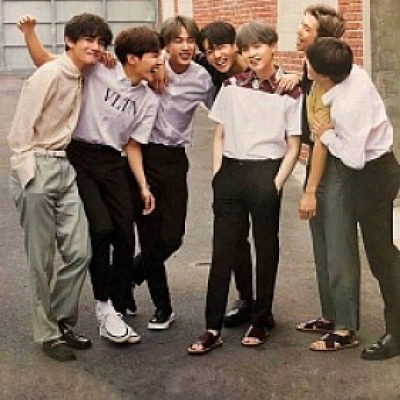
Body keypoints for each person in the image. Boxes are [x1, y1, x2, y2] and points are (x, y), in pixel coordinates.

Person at [18, 16, 163, 344]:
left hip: (113, 162)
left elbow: (133, 145)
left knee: (125, 235)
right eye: (155, 55)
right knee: (100, 229)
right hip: (80, 156)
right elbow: (46, 61)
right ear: (132, 58)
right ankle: (103, 305)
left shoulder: (149, 99)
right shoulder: (100, 69)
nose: (160, 61)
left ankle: (115, 304)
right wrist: (30, 33)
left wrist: (143, 186)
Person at [188, 21, 301, 355]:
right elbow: (220, 133)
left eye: (258, 46)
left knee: (266, 249)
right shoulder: (231, 85)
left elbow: (293, 145)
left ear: (273, 47)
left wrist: (276, 184)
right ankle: (212, 328)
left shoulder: (290, 90)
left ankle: (262, 318)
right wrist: (218, 174)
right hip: (231, 173)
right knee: (222, 251)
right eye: (247, 48)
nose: (252, 53)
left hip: (266, 173)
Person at [8, 13, 113, 362]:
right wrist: (29, 175)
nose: (95, 47)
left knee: (80, 251)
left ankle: (61, 320)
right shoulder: (49, 74)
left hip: (65, 166)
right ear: (70, 41)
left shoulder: (84, 72)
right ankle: (48, 333)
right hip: (36, 165)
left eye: (101, 42)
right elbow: (20, 131)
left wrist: (107, 58)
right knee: (41, 259)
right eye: (89, 40)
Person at [309, 37, 400, 360]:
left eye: (309, 62)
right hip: (378, 171)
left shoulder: (348, 106)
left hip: (372, 177)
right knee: (384, 256)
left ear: (323, 74)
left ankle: (396, 334)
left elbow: (354, 158)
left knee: (382, 259)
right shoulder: (353, 74)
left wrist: (326, 135)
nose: (305, 65)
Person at [130, 15, 215, 330]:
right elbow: (122, 67)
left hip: (175, 159)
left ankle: (127, 276)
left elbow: (222, 106)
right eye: (178, 40)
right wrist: (155, 66)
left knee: (173, 237)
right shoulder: (152, 66)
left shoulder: (201, 78)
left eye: (190, 40)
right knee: (150, 236)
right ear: (165, 45)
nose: (185, 46)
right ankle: (162, 307)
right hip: (143, 155)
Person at [291, 5, 361, 351]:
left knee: (339, 248)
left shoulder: (334, 83)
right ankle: (330, 315)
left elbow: (322, 141)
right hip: (319, 166)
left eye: (307, 29)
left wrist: (310, 189)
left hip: (336, 168)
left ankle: (345, 328)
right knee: (321, 246)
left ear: (323, 41)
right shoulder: (312, 73)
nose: (299, 32)